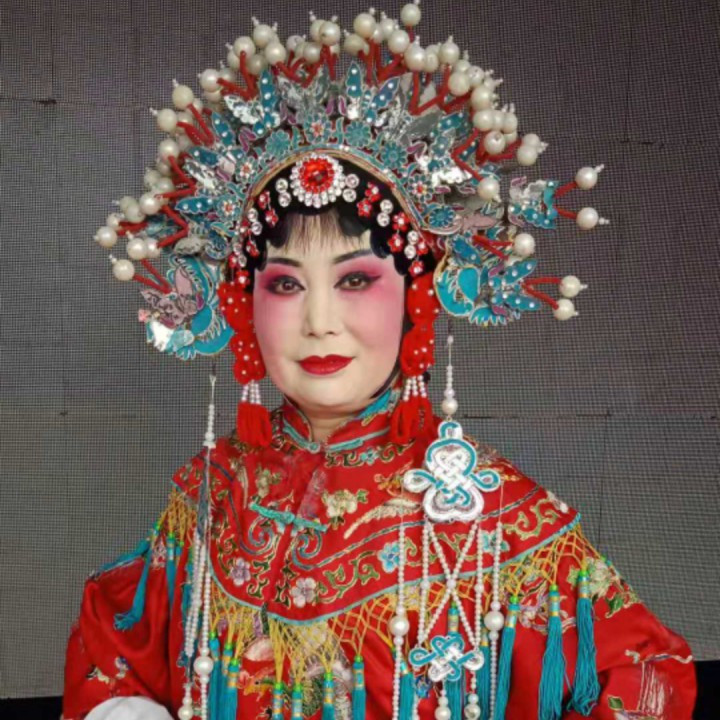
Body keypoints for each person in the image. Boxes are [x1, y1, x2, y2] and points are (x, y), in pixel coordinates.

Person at [65, 5, 696, 720]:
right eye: (285, 285)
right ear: (243, 307)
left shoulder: (494, 517)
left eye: (356, 280)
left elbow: (650, 675)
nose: (319, 321)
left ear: (415, 300)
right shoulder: (215, 495)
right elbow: (113, 648)